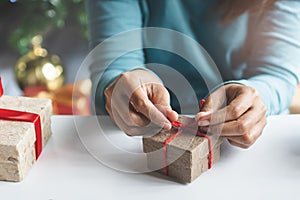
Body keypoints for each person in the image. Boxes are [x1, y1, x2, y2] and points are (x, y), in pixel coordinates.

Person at [86, 0, 300, 149]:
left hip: (250, 145)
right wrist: (120, 85)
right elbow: (115, 65)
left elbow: (277, 74)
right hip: (138, 139)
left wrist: (255, 98)